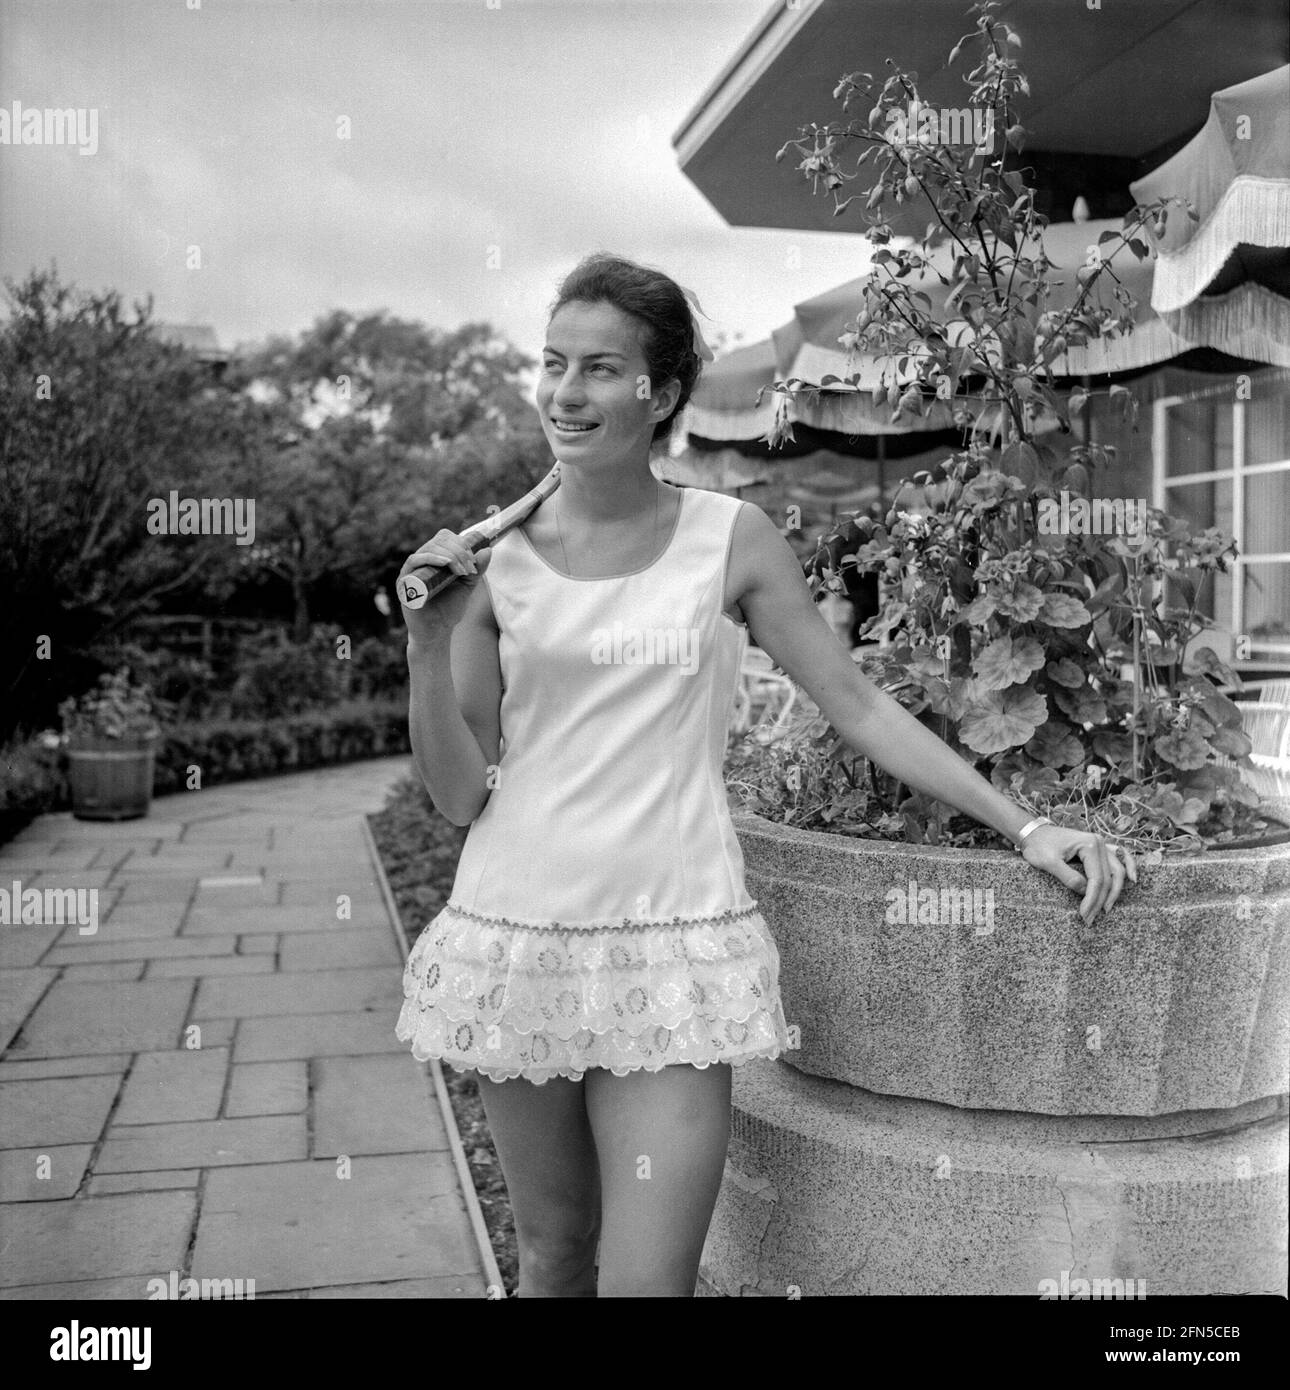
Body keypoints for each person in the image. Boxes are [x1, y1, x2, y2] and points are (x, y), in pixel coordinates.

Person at [394, 252, 1134, 1299]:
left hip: (675, 941)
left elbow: (861, 702)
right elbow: (462, 793)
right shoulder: (490, 563)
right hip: (516, 938)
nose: (566, 391)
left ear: (660, 393)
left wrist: (1024, 826)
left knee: (649, 1283)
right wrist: (425, 646)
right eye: (553, 363)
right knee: (554, 1258)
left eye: (601, 368)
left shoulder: (728, 538)